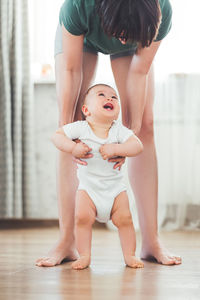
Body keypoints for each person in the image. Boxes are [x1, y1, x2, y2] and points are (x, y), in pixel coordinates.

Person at [36, 0, 182, 267]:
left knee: (145, 127)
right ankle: (66, 240)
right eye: (121, 33)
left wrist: (128, 140)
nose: (122, 39)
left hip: (135, 34)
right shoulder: (79, 6)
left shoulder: (160, 11)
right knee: (71, 128)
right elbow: (71, 69)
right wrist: (68, 132)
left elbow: (140, 71)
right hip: (84, 37)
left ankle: (151, 240)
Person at [50, 84, 144, 270]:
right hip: (88, 189)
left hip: (115, 190)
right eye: (102, 95)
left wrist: (117, 148)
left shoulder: (119, 130)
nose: (109, 99)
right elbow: (57, 136)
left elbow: (137, 146)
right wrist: (73, 148)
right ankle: (84, 255)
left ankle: (129, 255)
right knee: (82, 219)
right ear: (86, 110)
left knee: (125, 220)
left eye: (114, 97)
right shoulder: (81, 128)